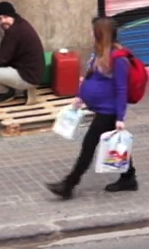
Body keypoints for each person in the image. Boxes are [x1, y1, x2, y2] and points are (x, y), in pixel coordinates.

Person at [46, 16, 138, 200]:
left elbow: (121, 89)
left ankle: (69, 184)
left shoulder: (118, 58)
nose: (89, 33)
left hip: (109, 111)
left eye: (92, 30)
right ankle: (128, 177)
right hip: (101, 108)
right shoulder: (100, 53)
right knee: (116, 144)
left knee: (89, 146)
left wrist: (120, 117)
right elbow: (91, 77)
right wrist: (81, 97)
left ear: (100, 33)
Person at [0, 2, 46, 104]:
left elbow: (1, 58)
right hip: (32, 74)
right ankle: (24, 88)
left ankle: (6, 92)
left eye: (5, 17)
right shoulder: (21, 24)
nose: (3, 21)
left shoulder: (14, 32)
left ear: (12, 15)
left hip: (27, 77)